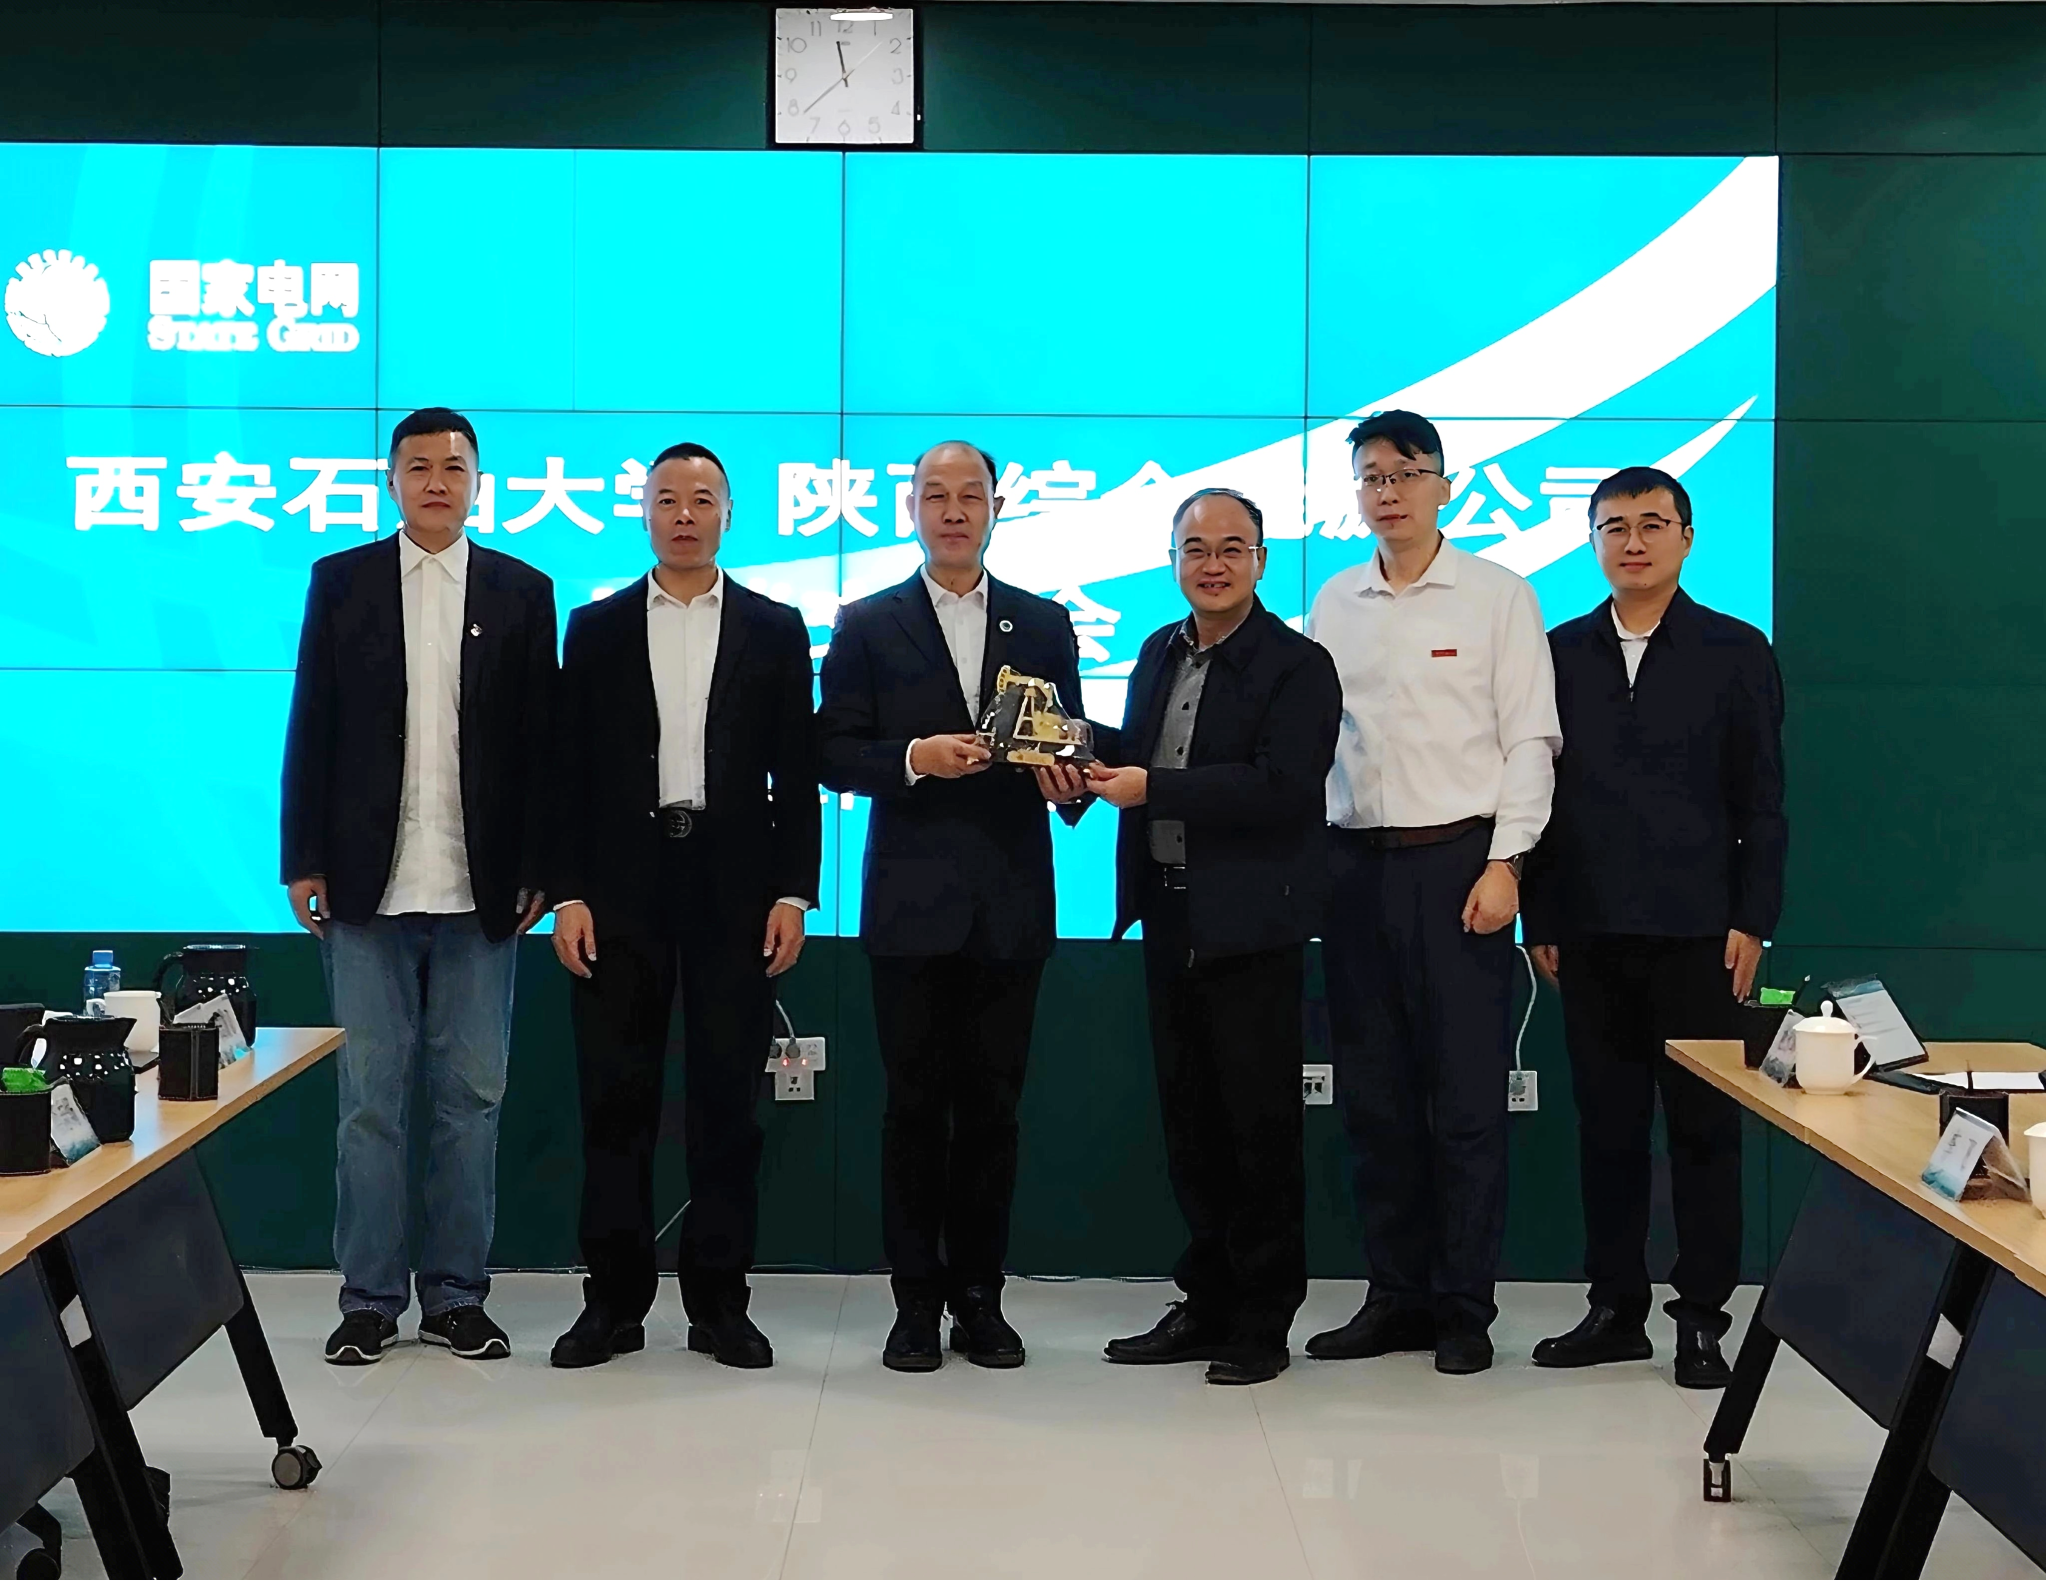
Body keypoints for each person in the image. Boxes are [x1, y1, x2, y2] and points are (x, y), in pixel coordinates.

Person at [281, 407, 557, 1365]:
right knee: (370, 1103)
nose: (437, 481)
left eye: (454, 467)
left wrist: (539, 865)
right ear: (390, 479)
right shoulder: (343, 581)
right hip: (368, 888)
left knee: (469, 1100)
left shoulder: (523, 590)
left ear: (478, 481)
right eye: (419, 466)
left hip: (482, 892)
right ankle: (368, 1299)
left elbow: (540, 744)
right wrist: (302, 857)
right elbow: (310, 720)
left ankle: (456, 1296)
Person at [546, 442, 819, 1371]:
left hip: (734, 885)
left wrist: (793, 891)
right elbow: (568, 770)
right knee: (614, 1099)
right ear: (644, 512)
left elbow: (798, 777)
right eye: (668, 498)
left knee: (726, 1105)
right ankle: (612, 1303)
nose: (685, 515)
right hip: (620, 885)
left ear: (729, 513)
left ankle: (721, 1303)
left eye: (703, 499)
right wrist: (568, 891)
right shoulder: (596, 627)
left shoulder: (775, 627)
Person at [817, 440, 1089, 1372]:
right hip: (910, 906)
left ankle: (981, 1296)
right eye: (935, 494)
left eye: (971, 494)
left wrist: (1070, 782)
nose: (954, 510)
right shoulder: (867, 622)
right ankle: (914, 1302)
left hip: (1012, 904)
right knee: (912, 1111)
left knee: (993, 1112)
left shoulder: (1044, 621)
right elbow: (831, 750)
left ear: (998, 507)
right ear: (911, 510)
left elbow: (1067, 745)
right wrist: (912, 759)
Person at [1304, 409, 1560, 1376]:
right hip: (1354, 868)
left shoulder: (1497, 594)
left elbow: (1529, 739)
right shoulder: (1335, 600)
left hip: (1460, 866)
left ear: (1444, 485)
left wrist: (1508, 862)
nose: (1389, 491)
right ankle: (1394, 1295)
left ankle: (1463, 1306)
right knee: (1374, 1098)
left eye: (1407, 473)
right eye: (1372, 476)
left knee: (1464, 1100)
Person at [1522, 465, 1785, 1390]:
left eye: (1651, 524)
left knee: (1705, 1134)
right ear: (1592, 540)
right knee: (1608, 1130)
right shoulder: (1557, 651)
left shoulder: (1735, 648)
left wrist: (1753, 917)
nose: (1632, 542)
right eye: (1614, 527)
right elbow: (1535, 794)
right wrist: (1541, 913)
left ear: (1685, 537)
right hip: (1589, 930)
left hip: (1700, 934)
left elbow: (1764, 799)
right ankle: (1614, 1309)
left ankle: (1702, 1318)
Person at [1089, 489, 1340, 1386]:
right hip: (1169, 912)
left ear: (1262, 560)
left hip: (1253, 924)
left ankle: (1262, 1320)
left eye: (1233, 547)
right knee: (1190, 1123)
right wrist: (1075, 756)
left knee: (1258, 1128)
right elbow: (1144, 754)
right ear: (1173, 560)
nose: (1213, 563)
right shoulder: (1158, 649)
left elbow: (1282, 786)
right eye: (1195, 548)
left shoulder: (1299, 664)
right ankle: (1207, 1300)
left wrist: (1151, 787)